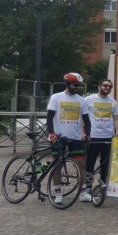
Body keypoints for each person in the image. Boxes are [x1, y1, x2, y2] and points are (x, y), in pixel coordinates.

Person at [47, 72, 90, 205]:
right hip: (58, 137)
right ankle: (58, 193)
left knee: (81, 164)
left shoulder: (81, 100)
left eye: (79, 85)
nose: (78, 87)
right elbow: (49, 117)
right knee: (57, 165)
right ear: (67, 84)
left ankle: (83, 193)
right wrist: (51, 133)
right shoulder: (56, 97)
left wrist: (87, 134)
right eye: (75, 85)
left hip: (75, 137)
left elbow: (87, 119)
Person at [82, 79, 118, 202]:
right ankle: (87, 189)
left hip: (108, 136)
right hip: (93, 137)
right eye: (105, 85)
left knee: (105, 165)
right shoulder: (88, 99)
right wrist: (83, 132)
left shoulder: (113, 102)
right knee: (89, 164)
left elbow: (116, 118)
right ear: (99, 86)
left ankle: (102, 188)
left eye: (110, 86)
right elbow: (82, 117)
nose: (107, 88)